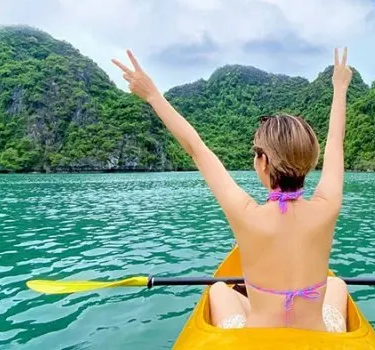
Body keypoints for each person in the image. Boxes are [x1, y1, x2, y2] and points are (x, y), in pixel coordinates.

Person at [112, 47, 353, 333]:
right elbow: (336, 143)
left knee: (218, 289)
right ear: (311, 160)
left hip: (257, 336)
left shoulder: (246, 214)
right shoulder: (327, 207)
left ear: (263, 162)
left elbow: (196, 148)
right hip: (317, 334)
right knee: (337, 284)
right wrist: (340, 88)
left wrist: (152, 95)